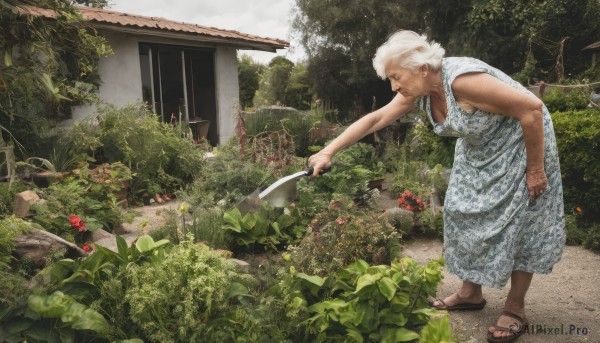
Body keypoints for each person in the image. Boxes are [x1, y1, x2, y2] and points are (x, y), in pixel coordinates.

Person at [307, 30, 565, 343]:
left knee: (521, 220)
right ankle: (471, 293)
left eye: (396, 77)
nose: (394, 86)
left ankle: (515, 307)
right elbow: (376, 119)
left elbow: (532, 109)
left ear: (423, 69)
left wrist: (535, 169)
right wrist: (328, 151)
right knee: (459, 210)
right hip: (480, 147)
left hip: (521, 145)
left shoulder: (462, 80)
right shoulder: (421, 91)